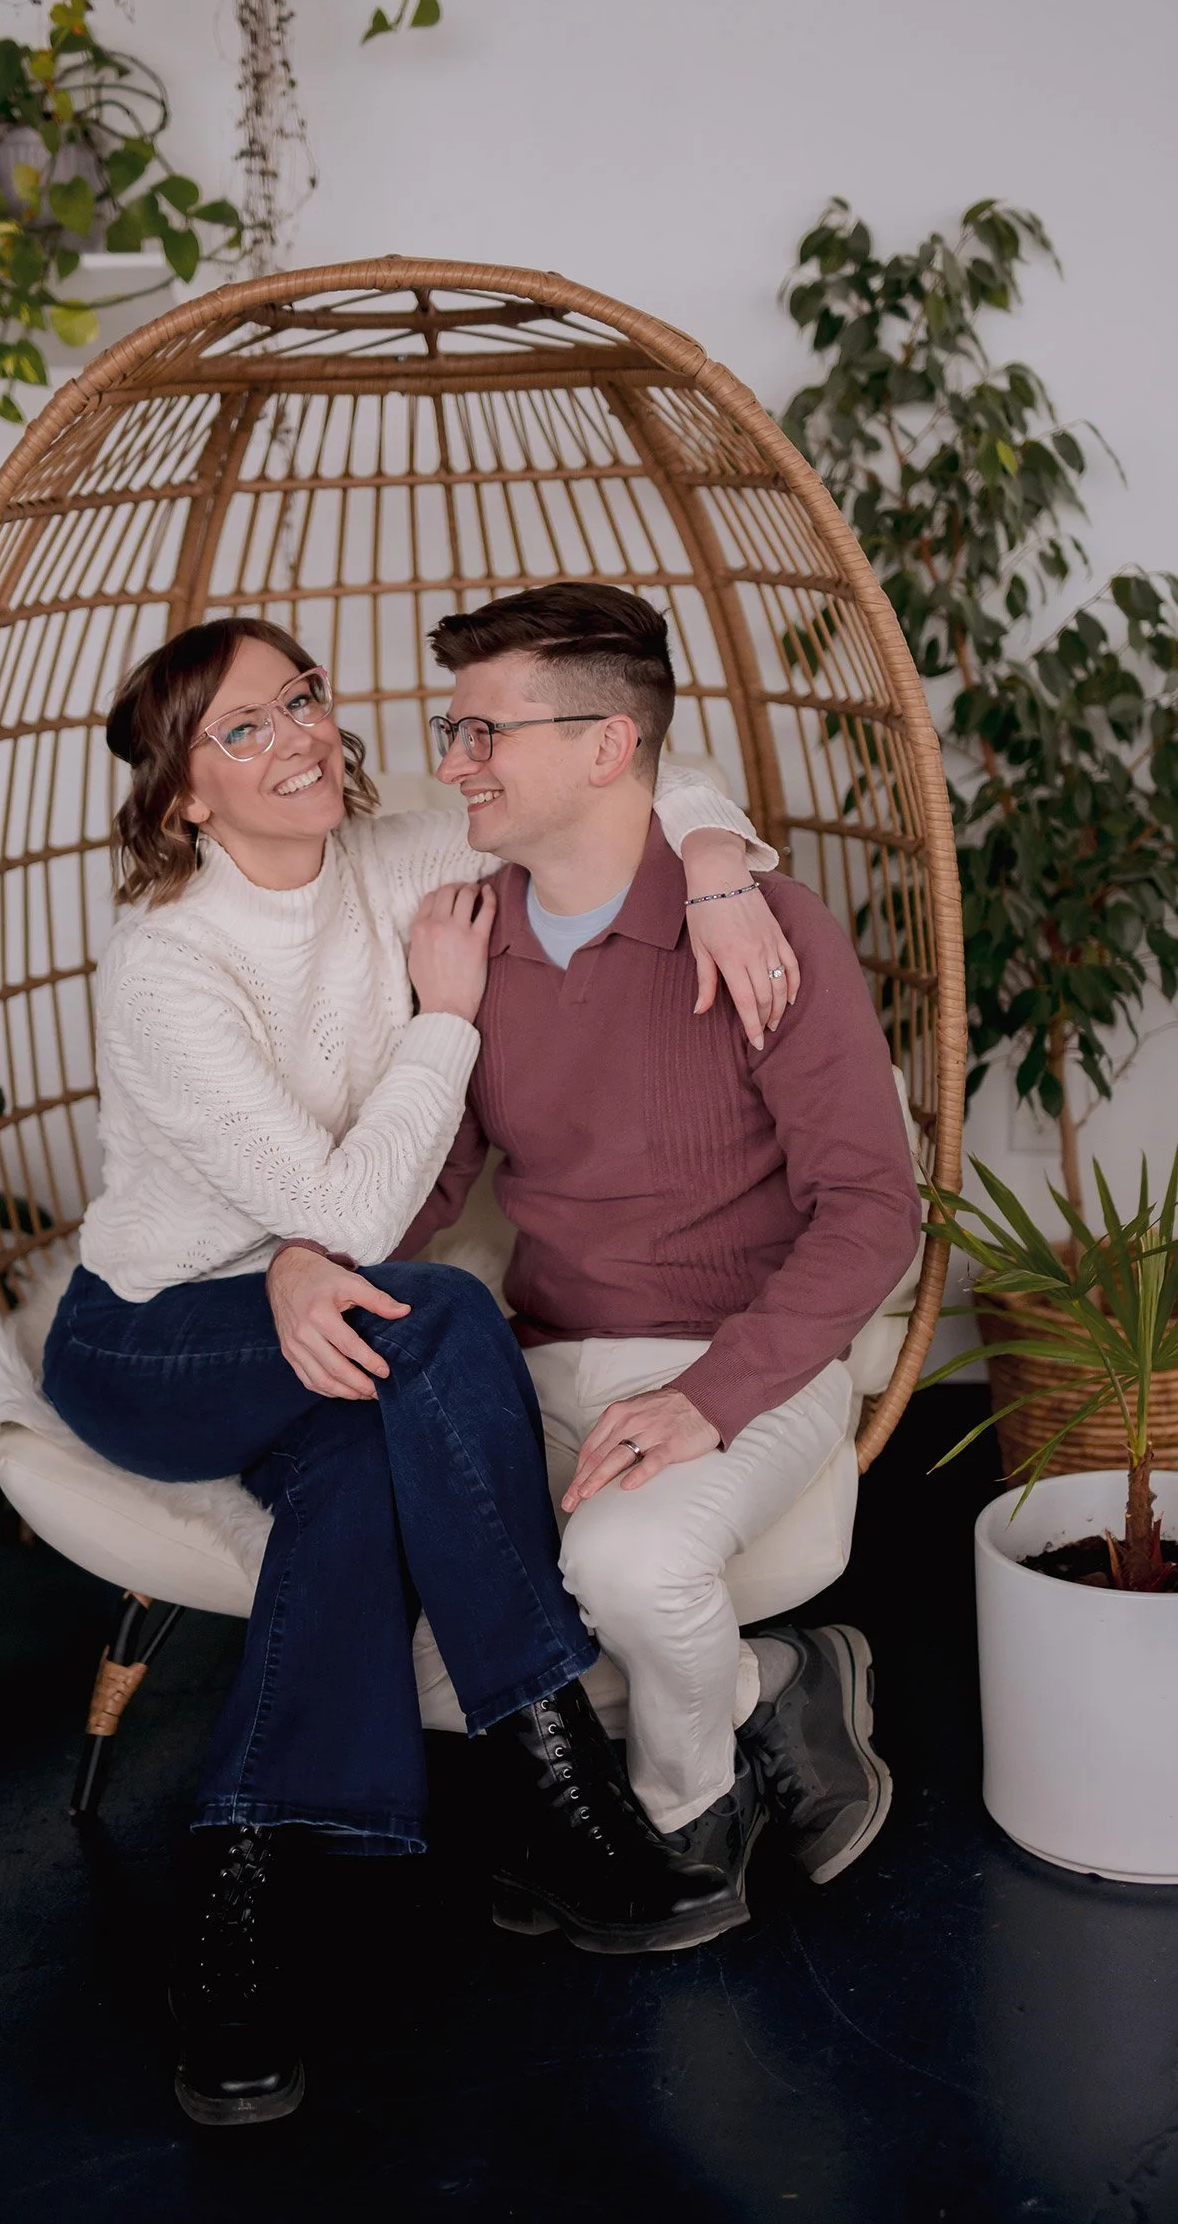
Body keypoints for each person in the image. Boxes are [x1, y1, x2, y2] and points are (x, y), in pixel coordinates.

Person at [40, 614, 799, 2127]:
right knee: (443, 1320)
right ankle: (551, 1765)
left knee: (353, 1480)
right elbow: (344, 1213)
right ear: (184, 795)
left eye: (302, 700)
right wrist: (441, 1020)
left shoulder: (395, 860)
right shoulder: (168, 965)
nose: (300, 738)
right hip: (155, 1332)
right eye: (244, 731)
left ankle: (234, 1899)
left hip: (321, 1321)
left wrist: (716, 867)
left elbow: (632, 785)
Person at [265, 583, 924, 1938]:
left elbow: (873, 1209)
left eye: (483, 734)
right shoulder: (466, 943)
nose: (452, 764)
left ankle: (685, 1816)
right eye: (454, 732)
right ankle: (771, 1686)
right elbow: (433, 1171)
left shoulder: (764, 927)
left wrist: (711, 1396)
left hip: (742, 1359)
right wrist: (305, 1257)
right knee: (445, 1679)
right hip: (543, 1360)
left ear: (609, 748)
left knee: (626, 1573)